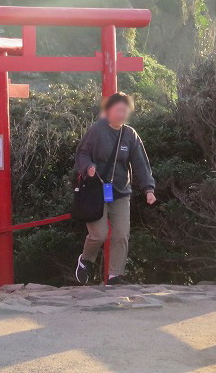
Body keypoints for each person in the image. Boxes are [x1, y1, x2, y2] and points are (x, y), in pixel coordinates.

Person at [73, 92, 156, 286]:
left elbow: (141, 163)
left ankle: (114, 276)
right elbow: (82, 153)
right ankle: (85, 260)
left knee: (121, 233)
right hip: (96, 191)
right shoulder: (97, 130)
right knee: (99, 234)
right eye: (118, 110)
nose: (122, 114)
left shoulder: (130, 134)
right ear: (109, 110)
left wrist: (149, 189)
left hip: (120, 191)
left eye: (125, 110)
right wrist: (88, 168)